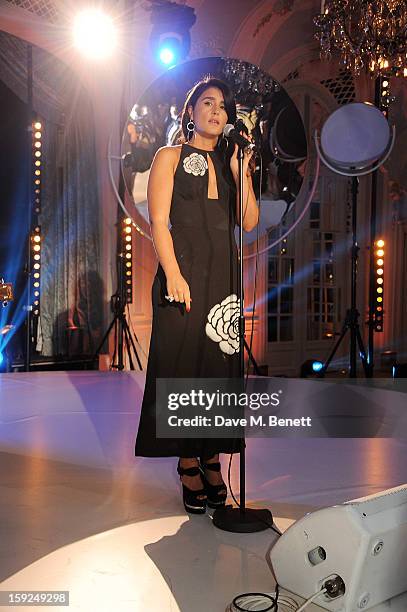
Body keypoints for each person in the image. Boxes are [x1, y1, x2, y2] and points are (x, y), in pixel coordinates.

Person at [135, 77, 259, 514]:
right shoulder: (169, 157)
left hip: (222, 279)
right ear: (191, 112)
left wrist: (242, 170)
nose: (216, 111)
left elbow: (248, 222)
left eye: (223, 107)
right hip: (182, 276)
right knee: (182, 364)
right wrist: (171, 272)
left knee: (216, 369)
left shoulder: (230, 161)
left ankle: (210, 455)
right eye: (208, 102)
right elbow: (159, 222)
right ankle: (187, 459)